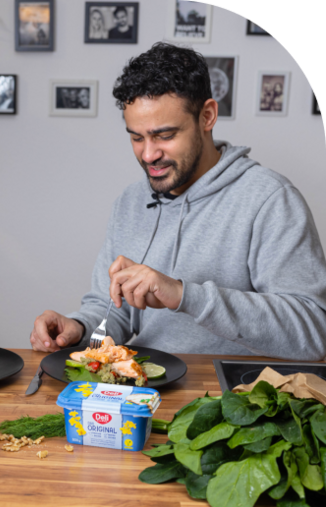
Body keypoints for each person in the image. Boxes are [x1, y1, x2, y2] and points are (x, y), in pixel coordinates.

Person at [30, 42, 326, 362]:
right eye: (136, 137)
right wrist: (79, 326)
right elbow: (112, 308)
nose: (148, 155)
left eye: (165, 135)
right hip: (143, 387)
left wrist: (185, 295)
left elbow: (314, 331)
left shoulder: (269, 200)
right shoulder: (131, 202)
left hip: (231, 397)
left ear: (207, 116)